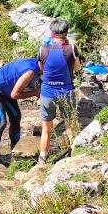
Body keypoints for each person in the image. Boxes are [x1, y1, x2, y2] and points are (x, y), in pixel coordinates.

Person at [38, 19, 81, 163]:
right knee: (69, 123)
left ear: (52, 32)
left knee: (46, 128)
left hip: (47, 92)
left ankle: (42, 158)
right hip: (66, 92)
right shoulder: (71, 48)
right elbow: (77, 68)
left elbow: (41, 68)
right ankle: (74, 153)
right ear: (66, 32)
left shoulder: (43, 48)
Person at [0, 58, 40, 163]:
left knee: (15, 116)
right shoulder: (31, 71)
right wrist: (35, 92)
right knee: (1, 122)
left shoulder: (37, 66)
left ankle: (15, 148)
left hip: (7, 89)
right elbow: (15, 95)